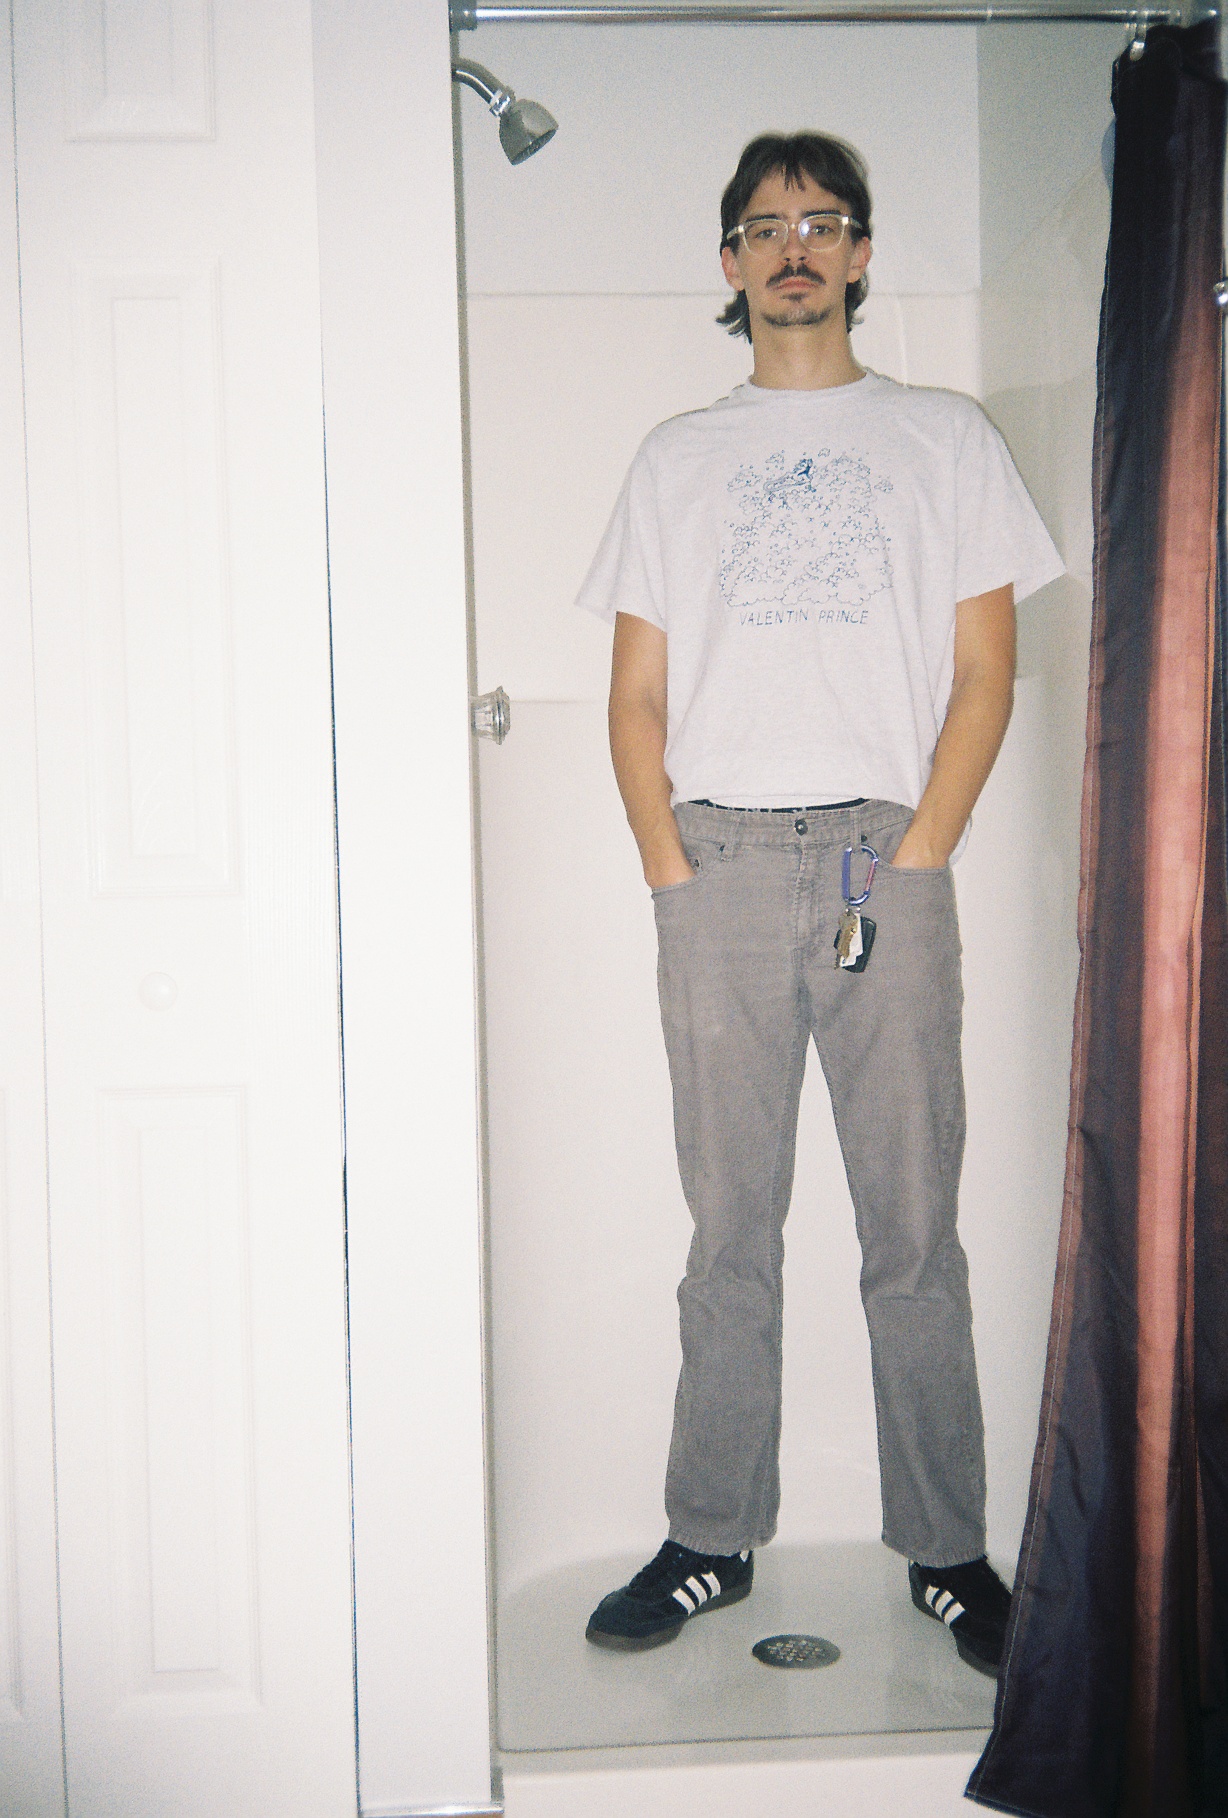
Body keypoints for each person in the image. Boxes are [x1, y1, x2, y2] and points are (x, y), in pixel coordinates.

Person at [575, 131, 1064, 1678]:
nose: (796, 246)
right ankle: (710, 1533)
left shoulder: (944, 438)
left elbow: (985, 672)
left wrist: (916, 855)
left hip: (874, 857)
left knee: (913, 1229)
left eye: (824, 222)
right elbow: (634, 695)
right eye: (768, 225)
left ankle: (947, 1549)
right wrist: (668, 871)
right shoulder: (675, 458)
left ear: (860, 254)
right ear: (730, 262)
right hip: (716, 862)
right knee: (730, 1228)